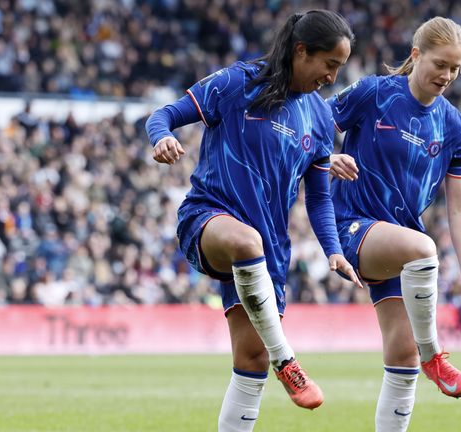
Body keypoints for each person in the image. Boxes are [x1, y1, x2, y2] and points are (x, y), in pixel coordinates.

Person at [145, 10, 361, 431]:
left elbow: (318, 199)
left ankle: (272, 359)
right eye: (329, 65)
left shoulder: (318, 118)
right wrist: (163, 138)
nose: (332, 77)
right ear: (301, 51)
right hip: (209, 218)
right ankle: (288, 359)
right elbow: (162, 116)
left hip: (270, 249)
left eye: (339, 68)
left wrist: (334, 251)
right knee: (246, 243)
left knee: (251, 360)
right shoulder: (237, 82)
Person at [326, 17, 461, 431]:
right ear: (416, 56)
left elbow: (460, 208)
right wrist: (325, 158)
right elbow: (312, 127)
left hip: (398, 250)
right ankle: (435, 355)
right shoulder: (374, 93)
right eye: (440, 64)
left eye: (455, 68)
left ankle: (421, 358)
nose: (447, 76)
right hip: (353, 225)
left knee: (401, 356)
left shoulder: (454, 127)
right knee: (422, 247)